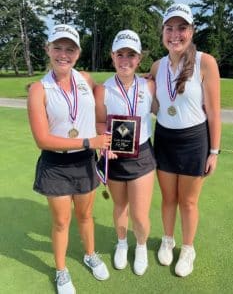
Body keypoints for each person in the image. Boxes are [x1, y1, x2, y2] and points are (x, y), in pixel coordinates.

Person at [27, 24, 112, 294]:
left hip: (85, 161)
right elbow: (42, 139)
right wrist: (90, 141)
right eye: (58, 48)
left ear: (78, 53)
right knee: (62, 222)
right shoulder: (39, 89)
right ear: (48, 49)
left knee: (86, 216)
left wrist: (144, 79)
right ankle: (61, 271)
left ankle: (89, 254)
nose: (63, 54)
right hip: (56, 165)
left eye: (70, 49)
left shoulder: (86, 80)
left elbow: (107, 98)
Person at [150, 4, 221, 277]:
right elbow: (157, 105)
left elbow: (213, 110)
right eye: (169, 28)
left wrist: (214, 151)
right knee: (168, 198)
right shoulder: (157, 66)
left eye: (182, 28)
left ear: (191, 31)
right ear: (163, 32)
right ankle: (168, 240)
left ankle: (188, 248)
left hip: (194, 140)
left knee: (188, 202)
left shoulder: (206, 62)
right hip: (165, 138)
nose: (175, 34)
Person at [94, 29, 157, 276]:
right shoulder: (104, 90)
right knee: (120, 207)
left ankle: (140, 246)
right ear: (112, 56)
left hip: (142, 154)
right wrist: (104, 144)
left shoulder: (149, 86)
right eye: (120, 54)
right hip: (115, 157)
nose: (125, 60)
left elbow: (164, 107)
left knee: (140, 215)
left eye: (131, 54)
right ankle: (122, 243)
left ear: (139, 58)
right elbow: (100, 123)